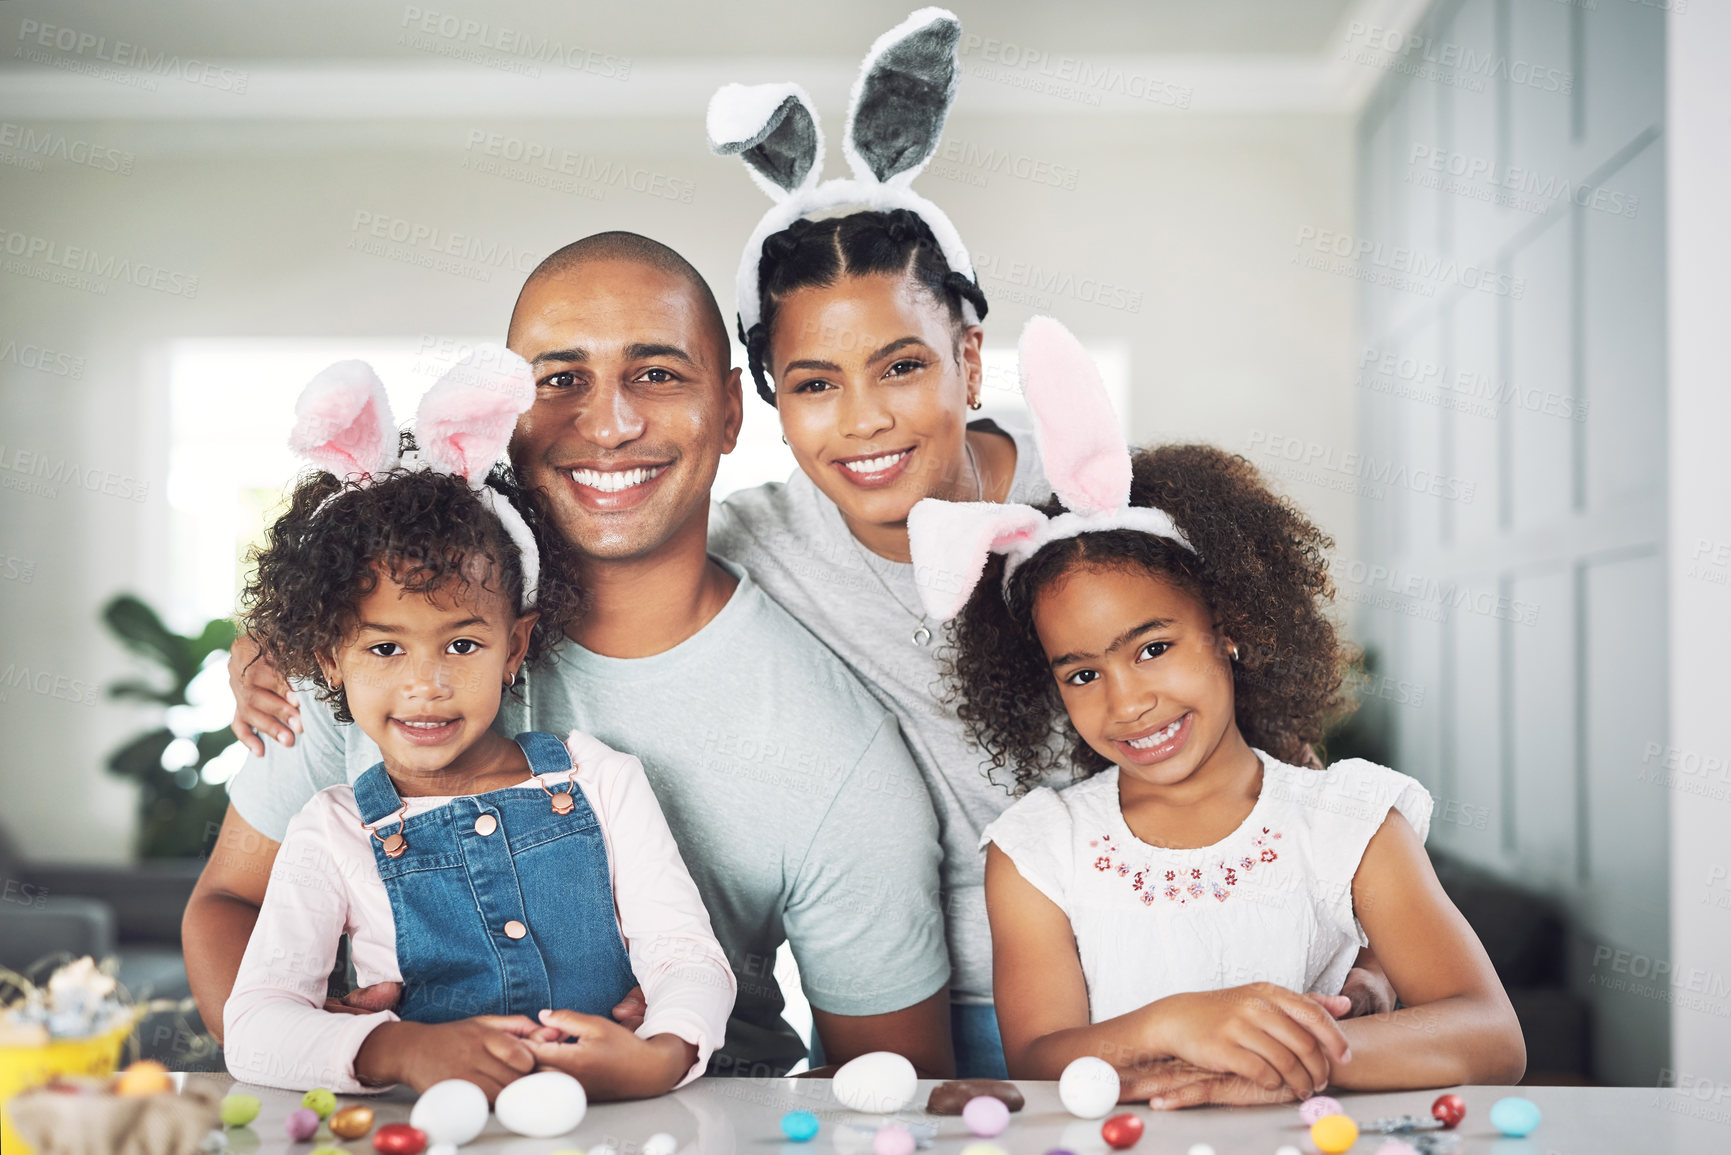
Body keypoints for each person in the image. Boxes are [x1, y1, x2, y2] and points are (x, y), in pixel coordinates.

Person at [703, 9, 1395, 1076]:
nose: (865, 420)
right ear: (772, 405)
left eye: (902, 367)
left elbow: (1250, 725)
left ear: (969, 362)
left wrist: (1360, 937)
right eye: (814, 387)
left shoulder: (1092, 492)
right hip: (990, 1012)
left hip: (1217, 969)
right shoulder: (752, 543)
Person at [192, 233, 956, 1081]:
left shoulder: (837, 752)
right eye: (559, 381)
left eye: (657, 374)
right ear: (501, 414)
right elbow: (230, 903)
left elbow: (891, 1083)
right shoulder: (370, 638)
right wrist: (345, 1053)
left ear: (733, 411)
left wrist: (660, 1063)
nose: (609, 423)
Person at [911, 317, 1526, 1104]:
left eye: (1152, 647)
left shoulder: (1349, 822)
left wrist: (1286, 1062)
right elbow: (1039, 1055)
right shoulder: (1038, 851)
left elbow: (1488, 1034)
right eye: (1080, 673)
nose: (1126, 701)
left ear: (1228, 626)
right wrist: (1175, 1023)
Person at [222, 352, 734, 1100]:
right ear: (330, 658)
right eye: (385, 647)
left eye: (461, 644)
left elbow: (686, 956)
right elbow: (256, 1026)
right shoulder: (330, 831)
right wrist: (394, 1049)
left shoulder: (600, 780)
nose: (426, 684)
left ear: (514, 646)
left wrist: (665, 1050)